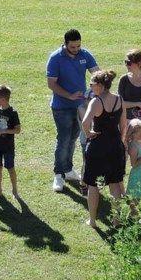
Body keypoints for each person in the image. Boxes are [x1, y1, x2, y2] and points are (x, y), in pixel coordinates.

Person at [47, 29, 100, 192]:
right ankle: (58, 174)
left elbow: (97, 73)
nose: (76, 49)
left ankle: (68, 170)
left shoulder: (84, 54)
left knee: (73, 139)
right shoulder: (55, 58)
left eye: (78, 46)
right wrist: (69, 95)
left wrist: (95, 87)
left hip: (80, 107)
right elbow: (52, 84)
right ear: (65, 43)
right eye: (73, 47)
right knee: (63, 140)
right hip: (61, 107)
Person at [82, 70, 126, 229]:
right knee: (115, 185)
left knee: (93, 185)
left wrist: (89, 134)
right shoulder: (120, 99)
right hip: (114, 145)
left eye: (92, 84)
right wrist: (119, 142)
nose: (90, 86)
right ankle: (117, 221)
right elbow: (123, 125)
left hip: (98, 145)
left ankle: (92, 221)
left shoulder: (96, 102)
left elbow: (85, 123)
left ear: (100, 85)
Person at [0, 85, 21, 199]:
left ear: (3, 99)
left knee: (10, 168)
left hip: (8, 147)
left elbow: (18, 130)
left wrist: (4, 131)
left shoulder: (12, 113)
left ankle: (15, 191)